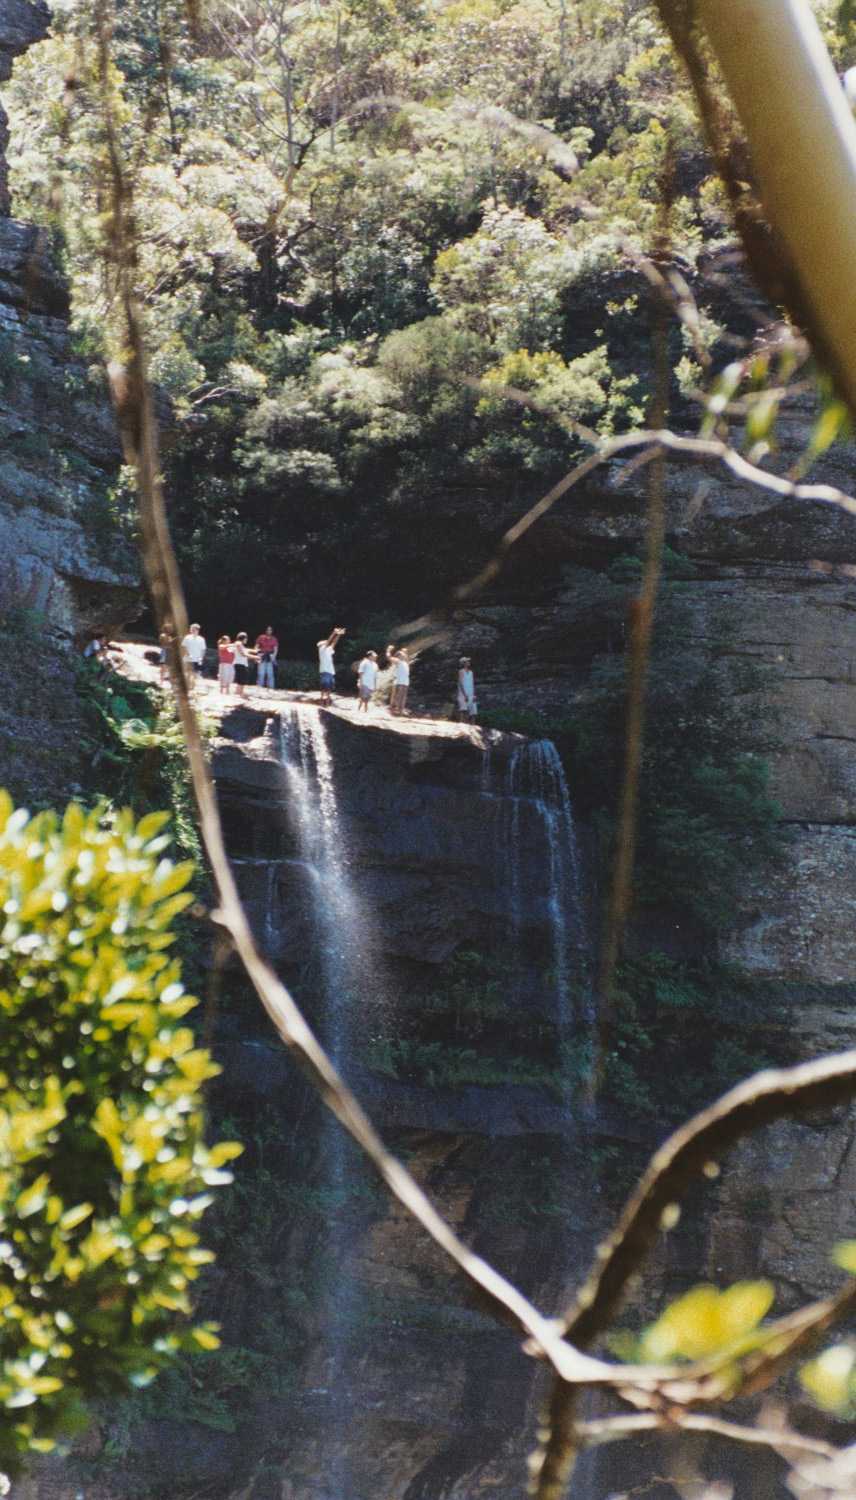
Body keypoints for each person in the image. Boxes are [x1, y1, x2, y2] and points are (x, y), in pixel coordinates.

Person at [317, 626, 345, 706]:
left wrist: (339, 635)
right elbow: (329, 641)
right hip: (325, 671)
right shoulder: (321, 649)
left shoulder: (328, 650)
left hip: (330, 672)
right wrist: (334, 633)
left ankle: (327, 702)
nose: (327, 643)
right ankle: (322, 702)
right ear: (321, 645)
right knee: (324, 687)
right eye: (325, 643)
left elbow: (334, 643)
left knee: (329, 688)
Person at [388, 644, 411, 716]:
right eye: (402, 654)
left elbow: (406, 657)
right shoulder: (397, 661)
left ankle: (400, 710)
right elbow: (388, 657)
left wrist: (405, 652)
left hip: (405, 682)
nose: (404, 655)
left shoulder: (406, 662)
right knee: (396, 696)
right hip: (399, 682)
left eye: (405, 654)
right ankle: (392, 710)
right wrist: (388, 650)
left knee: (403, 697)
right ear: (399, 656)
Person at [255, 624, 279, 691]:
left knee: (270, 674)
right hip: (262, 656)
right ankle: (259, 688)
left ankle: (271, 688)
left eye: (270, 630)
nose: (269, 631)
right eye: (268, 630)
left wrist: (273, 657)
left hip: (270, 656)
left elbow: (276, 649)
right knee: (261, 673)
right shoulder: (261, 637)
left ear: (272, 631)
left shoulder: (274, 639)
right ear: (266, 630)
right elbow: (256, 646)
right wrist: (257, 655)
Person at [233, 632, 256, 698]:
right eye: (246, 638)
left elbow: (246, 650)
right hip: (240, 664)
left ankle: (240, 693)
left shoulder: (241, 645)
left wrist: (255, 651)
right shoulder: (238, 643)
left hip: (242, 665)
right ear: (243, 638)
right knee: (241, 680)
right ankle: (238, 693)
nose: (247, 640)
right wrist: (255, 657)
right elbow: (243, 654)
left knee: (242, 680)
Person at [456, 657, 477, 722]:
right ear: (464, 663)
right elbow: (460, 683)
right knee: (463, 710)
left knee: (473, 712)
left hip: (470, 693)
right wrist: (464, 695)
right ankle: (462, 726)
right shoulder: (461, 671)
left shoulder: (471, 672)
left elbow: (472, 683)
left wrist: (474, 695)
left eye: (469, 661)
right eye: (467, 661)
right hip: (463, 693)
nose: (469, 662)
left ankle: (472, 728)